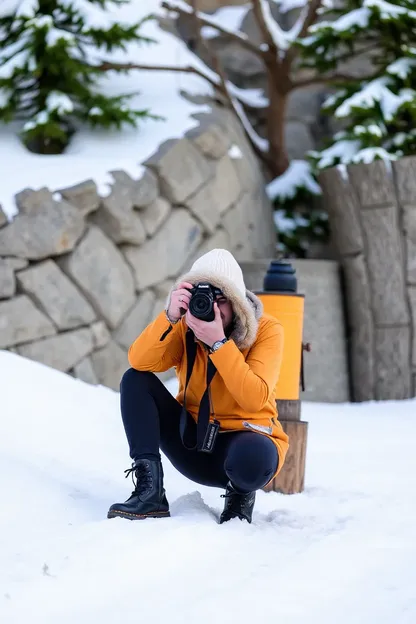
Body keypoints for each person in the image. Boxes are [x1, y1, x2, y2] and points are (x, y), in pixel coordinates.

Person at [108, 248, 289, 524]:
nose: (210, 308)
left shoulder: (266, 330)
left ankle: (240, 496)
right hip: (193, 442)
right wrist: (169, 316)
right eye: (201, 297)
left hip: (244, 451)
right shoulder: (186, 325)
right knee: (135, 380)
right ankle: (150, 492)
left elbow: (255, 398)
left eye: (220, 299)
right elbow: (140, 360)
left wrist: (219, 344)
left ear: (237, 302)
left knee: (253, 456)